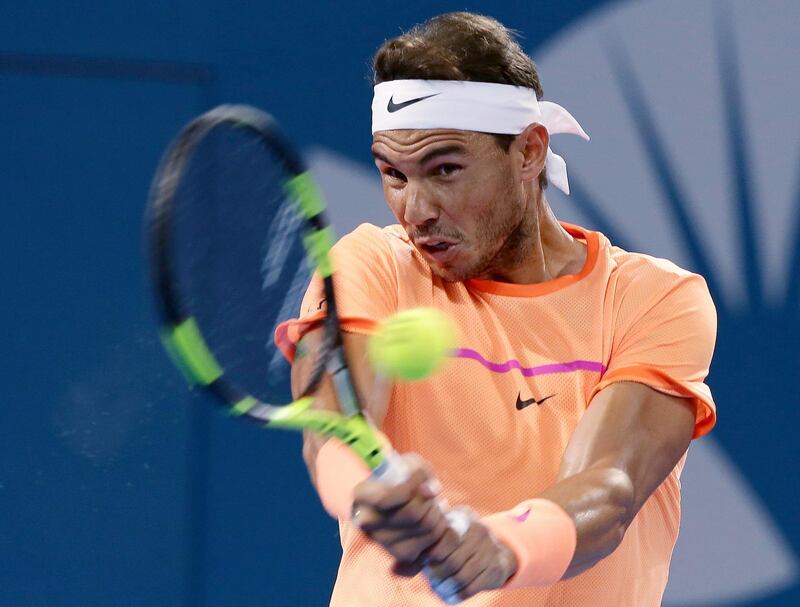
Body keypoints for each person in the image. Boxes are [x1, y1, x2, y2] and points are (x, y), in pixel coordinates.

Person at [279, 11, 717, 607]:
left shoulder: (653, 297)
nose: (416, 209)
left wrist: (503, 547)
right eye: (393, 174)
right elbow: (334, 431)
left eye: (445, 170)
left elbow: (610, 487)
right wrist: (364, 492)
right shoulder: (370, 264)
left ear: (529, 151)